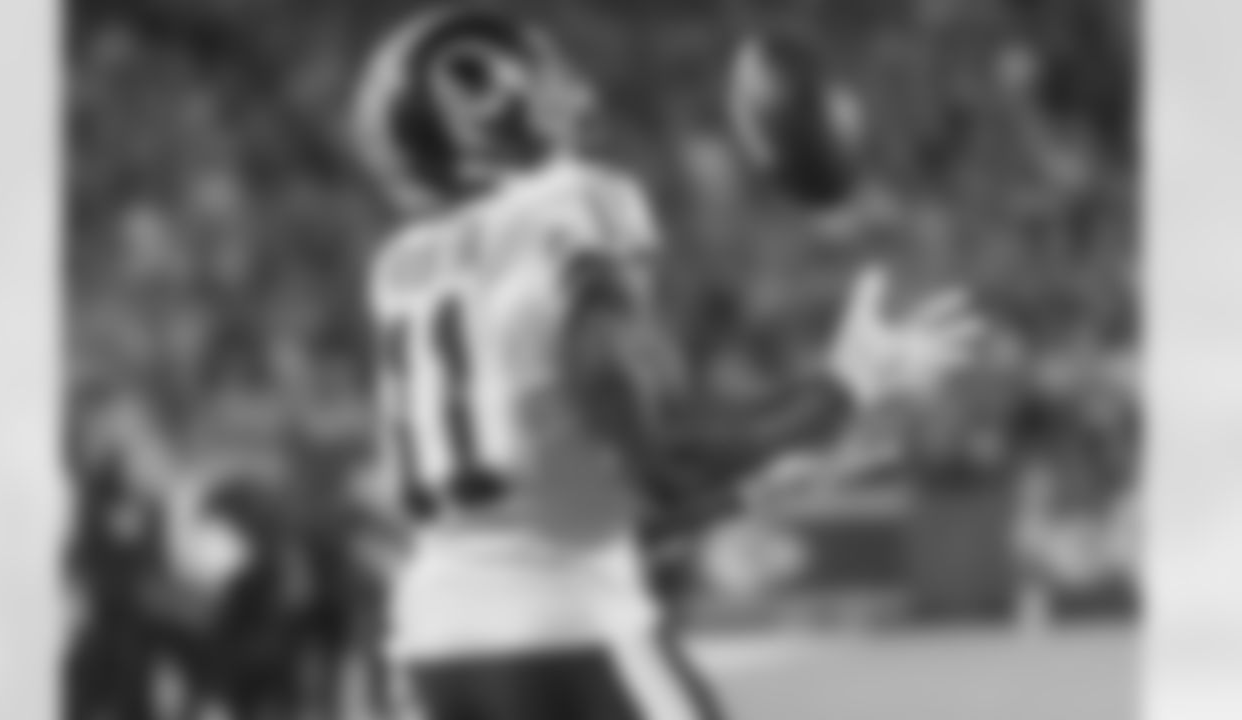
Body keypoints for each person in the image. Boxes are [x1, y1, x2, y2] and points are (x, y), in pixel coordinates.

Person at [351, 7, 985, 720]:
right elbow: (669, 456)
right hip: (571, 637)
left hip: (426, 653)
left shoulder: (400, 268)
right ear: (489, 100)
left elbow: (571, 505)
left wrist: (766, 479)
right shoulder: (570, 209)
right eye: (543, 71)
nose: (571, 86)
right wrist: (844, 386)